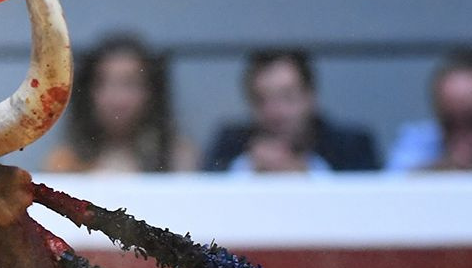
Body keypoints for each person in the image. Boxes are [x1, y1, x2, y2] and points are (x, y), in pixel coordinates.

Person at [203, 48, 379, 174]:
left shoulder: (351, 145)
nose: (274, 112)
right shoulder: (230, 144)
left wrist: (307, 173)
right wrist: (247, 168)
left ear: (311, 97)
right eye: (261, 100)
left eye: (287, 97)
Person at [44, 33, 197, 173]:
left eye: (129, 83)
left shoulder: (177, 156)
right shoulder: (64, 161)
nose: (117, 98)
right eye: (104, 83)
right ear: (88, 92)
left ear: (151, 92)